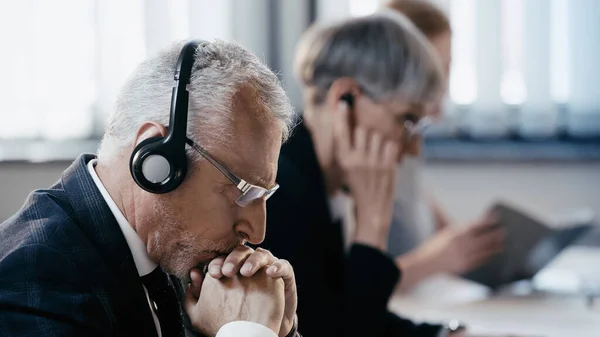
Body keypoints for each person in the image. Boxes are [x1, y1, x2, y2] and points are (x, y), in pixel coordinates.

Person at [0, 40, 302, 337]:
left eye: (262, 195)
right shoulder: (35, 281)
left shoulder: (167, 247)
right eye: (241, 191)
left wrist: (272, 327)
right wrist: (246, 332)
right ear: (156, 161)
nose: (257, 232)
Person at [260, 10, 464, 337]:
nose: (412, 149)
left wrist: (450, 333)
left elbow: (344, 309)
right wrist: (372, 227)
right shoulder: (278, 192)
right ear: (346, 99)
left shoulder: (317, 178)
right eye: (407, 120)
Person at [384, 0, 505, 290]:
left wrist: (470, 243)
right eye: (435, 70)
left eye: (448, 68)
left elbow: (418, 200)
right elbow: (353, 288)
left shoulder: (410, 138)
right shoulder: (365, 150)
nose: (444, 84)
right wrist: (438, 258)